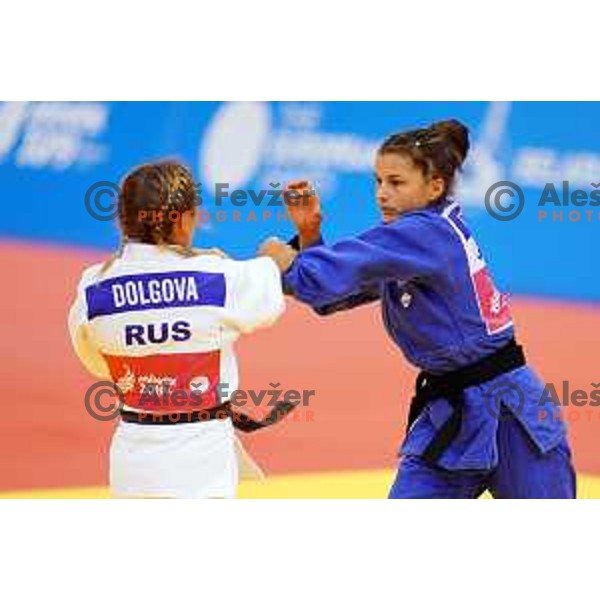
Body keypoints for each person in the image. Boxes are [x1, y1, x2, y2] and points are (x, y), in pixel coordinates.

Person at [258, 119, 576, 499]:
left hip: (511, 411)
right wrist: (310, 236)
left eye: (396, 182)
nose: (382, 194)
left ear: (434, 187)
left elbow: (319, 278)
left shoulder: (426, 234)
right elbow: (330, 297)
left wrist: (283, 264)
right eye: (377, 181)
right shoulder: (413, 242)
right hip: (451, 414)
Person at [69, 160, 285, 498]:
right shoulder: (217, 276)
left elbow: (98, 363)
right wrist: (273, 257)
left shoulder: (93, 286)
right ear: (183, 219)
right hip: (201, 463)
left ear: (123, 219)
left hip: (132, 460)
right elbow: (268, 293)